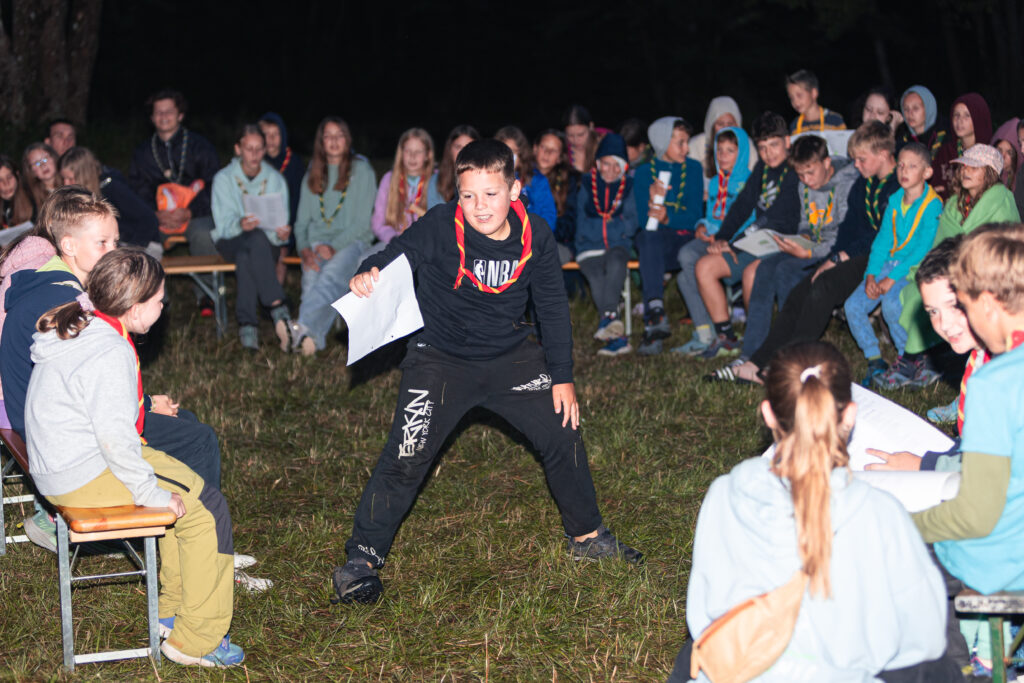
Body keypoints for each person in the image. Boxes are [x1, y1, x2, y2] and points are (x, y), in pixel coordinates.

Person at [330, 140, 641, 606]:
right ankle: (361, 560)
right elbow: (396, 254)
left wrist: (562, 377)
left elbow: (553, 310)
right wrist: (368, 270)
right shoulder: (441, 224)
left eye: (491, 194)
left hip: (510, 356)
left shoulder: (536, 234)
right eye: (468, 195)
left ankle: (587, 537)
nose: (479, 206)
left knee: (563, 429)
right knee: (407, 451)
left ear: (514, 190)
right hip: (440, 358)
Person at [673, 341, 954, 683]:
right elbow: (924, 637)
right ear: (850, 415)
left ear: (768, 414)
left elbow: (704, 614)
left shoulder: (724, 495)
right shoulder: (880, 512)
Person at [24, 248, 243, 668]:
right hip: (83, 472)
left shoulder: (86, 325)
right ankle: (197, 640)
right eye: (160, 300)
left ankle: (172, 611)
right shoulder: (109, 350)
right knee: (208, 511)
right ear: (135, 306)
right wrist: (149, 492)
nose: (163, 307)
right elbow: (115, 439)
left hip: (65, 464)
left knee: (192, 491)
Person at [0, 188, 229, 558]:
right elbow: (97, 390)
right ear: (69, 246)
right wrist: (147, 404)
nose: (112, 251)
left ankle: (177, 535)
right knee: (198, 439)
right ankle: (192, 541)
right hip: (57, 435)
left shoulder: (46, 278)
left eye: (115, 241)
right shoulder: (66, 302)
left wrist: (146, 403)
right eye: (102, 242)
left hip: (41, 416)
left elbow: (83, 379)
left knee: (185, 423)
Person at [709, 121, 902, 383]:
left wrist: (835, 257)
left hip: (882, 258)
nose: (856, 165)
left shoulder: (895, 185)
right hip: (854, 252)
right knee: (800, 292)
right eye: (855, 160)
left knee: (823, 286)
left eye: (861, 159)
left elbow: (882, 235)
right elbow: (848, 228)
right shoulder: (865, 184)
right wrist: (832, 257)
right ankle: (755, 362)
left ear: (883, 154)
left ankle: (790, 363)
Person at [913, 224, 1024, 675]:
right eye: (933, 312)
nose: (946, 324)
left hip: (1008, 561)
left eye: (960, 304)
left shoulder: (996, 381)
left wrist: (902, 524)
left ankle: (978, 666)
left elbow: (976, 516)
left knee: (907, 551)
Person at [707, 134, 858, 362]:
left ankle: (792, 348)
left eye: (810, 173)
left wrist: (809, 252)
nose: (806, 180)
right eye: (800, 175)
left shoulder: (846, 185)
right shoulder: (804, 184)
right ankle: (752, 352)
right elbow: (805, 223)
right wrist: (801, 238)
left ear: (826, 163)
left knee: (786, 271)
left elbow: (844, 236)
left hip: (835, 250)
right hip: (810, 245)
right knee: (763, 270)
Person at [895, 144, 1020, 388]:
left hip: (985, 277)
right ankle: (920, 360)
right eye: (963, 166)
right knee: (911, 295)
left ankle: (933, 363)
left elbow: (999, 253)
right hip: (947, 269)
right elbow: (941, 244)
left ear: (990, 172)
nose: (965, 171)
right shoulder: (954, 204)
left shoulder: (1001, 201)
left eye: (974, 167)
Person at [844, 142, 942, 385]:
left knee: (891, 303)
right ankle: (874, 359)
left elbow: (922, 250)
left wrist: (891, 278)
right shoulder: (896, 200)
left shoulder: (933, 204)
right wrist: (871, 275)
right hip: (889, 265)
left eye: (912, 166)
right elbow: (882, 241)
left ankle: (910, 357)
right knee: (853, 306)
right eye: (900, 165)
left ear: (927, 172)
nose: (904, 171)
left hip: (915, 268)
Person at [289, 117, 376, 356]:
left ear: (347, 140)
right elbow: (301, 222)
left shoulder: (362, 171)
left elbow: (362, 223)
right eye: (328, 136)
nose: (334, 141)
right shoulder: (313, 173)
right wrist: (304, 250)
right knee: (311, 276)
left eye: (339, 135)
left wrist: (334, 246)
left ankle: (298, 328)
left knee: (329, 277)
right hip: (317, 243)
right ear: (321, 142)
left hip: (352, 241)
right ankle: (312, 340)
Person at [668, 126, 754, 357]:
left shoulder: (750, 182)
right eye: (719, 150)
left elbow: (751, 220)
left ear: (742, 154)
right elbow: (711, 216)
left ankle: (720, 333)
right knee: (686, 255)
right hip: (714, 239)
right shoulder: (715, 182)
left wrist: (724, 237)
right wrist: (702, 226)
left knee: (688, 273)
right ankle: (707, 332)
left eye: (730, 151)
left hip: (736, 243)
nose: (723, 156)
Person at [210, 124, 294, 352]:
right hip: (231, 239)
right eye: (249, 149)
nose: (254, 154)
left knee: (249, 251)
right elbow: (222, 224)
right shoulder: (223, 179)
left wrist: (281, 233)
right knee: (252, 239)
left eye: (259, 149)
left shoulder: (275, 179)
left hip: (265, 244)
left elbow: (281, 221)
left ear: (265, 150)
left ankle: (248, 326)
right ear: (238, 149)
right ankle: (278, 308)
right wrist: (240, 224)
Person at [127, 89, 220, 282]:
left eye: (169, 111)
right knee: (139, 239)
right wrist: (155, 214)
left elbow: (214, 185)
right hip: (158, 217)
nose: (163, 116)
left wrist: (190, 212)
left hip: (196, 214)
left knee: (204, 235)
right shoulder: (142, 152)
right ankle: (154, 295)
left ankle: (208, 293)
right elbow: (137, 190)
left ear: (180, 115)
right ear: (152, 118)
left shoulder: (200, 146)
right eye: (158, 112)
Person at [633, 117, 703, 354]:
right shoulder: (644, 173)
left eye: (687, 142)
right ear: (662, 142)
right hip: (656, 244)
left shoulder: (693, 169)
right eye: (680, 143)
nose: (686, 148)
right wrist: (653, 201)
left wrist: (668, 218)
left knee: (649, 244)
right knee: (646, 238)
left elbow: (695, 216)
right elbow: (644, 222)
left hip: (685, 240)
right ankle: (656, 313)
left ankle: (653, 322)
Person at [574, 133, 638, 356]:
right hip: (589, 246)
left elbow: (632, 220)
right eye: (607, 164)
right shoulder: (586, 184)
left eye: (617, 165)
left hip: (617, 245)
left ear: (624, 167)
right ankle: (617, 335)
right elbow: (580, 219)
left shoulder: (628, 187)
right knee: (596, 276)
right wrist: (589, 234)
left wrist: (616, 227)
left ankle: (608, 319)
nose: (611, 170)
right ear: (599, 164)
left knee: (617, 263)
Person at [58, 147, 161, 253]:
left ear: (85, 176)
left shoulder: (112, 187)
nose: (66, 183)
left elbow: (149, 219)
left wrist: (131, 250)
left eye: (70, 179)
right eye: (63, 178)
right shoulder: (79, 195)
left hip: (144, 246)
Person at [370, 128, 434, 244]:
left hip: (425, 244)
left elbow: (440, 223)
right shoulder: (389, 179)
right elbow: (377, 222)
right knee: (368, 255)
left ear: (427, 155)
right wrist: (392, 238)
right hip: (393, 241)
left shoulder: (436, 181)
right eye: (408, 151)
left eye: (418, 151)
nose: (412, 156)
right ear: (401, 153)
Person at [687, 96, 757, 191]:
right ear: (712, 125)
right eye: (720, 124)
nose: (725, 128)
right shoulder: (696, 144)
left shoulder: (746, 144)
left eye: (730, 124)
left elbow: (754, 178)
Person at [495, 125, 557, 230]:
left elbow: (548, 217)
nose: (508, 156)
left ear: (521, 154)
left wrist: (533, 234)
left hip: (532, 236)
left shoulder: (536, 181)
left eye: (513, 151)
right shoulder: (487, 180)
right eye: (503, 151)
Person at [931, 93, 991, 199]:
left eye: (967, 115)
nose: (960, 120)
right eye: (956, 115)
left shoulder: (989, 155)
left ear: (978, 118)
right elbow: (934, 185)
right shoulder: (945, 152)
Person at [533, 128, 579, 264]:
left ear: (559, 158)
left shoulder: (568, 182)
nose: (547, 153)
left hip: (556, 242)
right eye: (544, 147)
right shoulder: (521, 178)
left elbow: (569, 224)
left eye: (553, 150)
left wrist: (543, 235)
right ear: (535, 149)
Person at [257, 112, 304, 227]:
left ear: (283, 135)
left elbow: (298, 199)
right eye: (266, 134)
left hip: (288, 222)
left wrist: (289, 225)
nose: (271, 138)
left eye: (276, 134)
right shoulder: (255, 160)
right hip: (260, 221)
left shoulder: (294, 162)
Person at [427, 124, 480, 209]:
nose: (463, 152)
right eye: (458, 147)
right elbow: (435, 214)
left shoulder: (485, 178)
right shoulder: (437, 181)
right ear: (450, 149)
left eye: (469, 147)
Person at [894, 86, 949, 160]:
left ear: (928, 108)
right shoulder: (903, 142)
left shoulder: (946, 136)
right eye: (906, 109)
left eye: (915, 108)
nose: (910, 113)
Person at [785, 69, 846, 134]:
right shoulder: (795, 126)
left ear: (814, 93)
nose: (795, 102)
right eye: (791, 98)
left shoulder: (835, 120)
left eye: (799, 95)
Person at [22, 143, 60, 214]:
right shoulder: (30, 199)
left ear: (53, 158)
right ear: (31, 171)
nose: (43, 165)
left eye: (45, 159)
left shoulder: (71, 181)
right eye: (37, 163)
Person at [0, 156, 34, 227]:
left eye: (9, 177)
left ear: (17, 175)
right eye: (0, 180)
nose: (6, 183)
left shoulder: (33, 198)